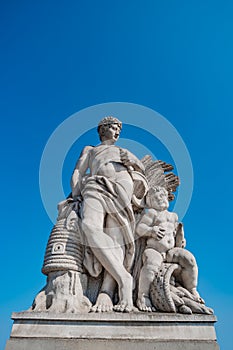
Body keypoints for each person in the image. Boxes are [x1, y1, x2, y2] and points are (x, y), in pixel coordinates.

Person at [71, 116, 145, 312]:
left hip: (122, 184)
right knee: (89, 226)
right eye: (113, 127)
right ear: (103, 129)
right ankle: (124, 277)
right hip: (94, 184)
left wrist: (135, 162)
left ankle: (107, 290)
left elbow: (141, 168)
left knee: (115, 236)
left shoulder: (123, 150)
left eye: (119, 129)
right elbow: (78, 171)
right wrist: (75, 193)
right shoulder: (90, 149)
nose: (117, 132)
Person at [136, 186, 203, 312]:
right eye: (156, 198)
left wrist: (181, 239)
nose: (161, 199)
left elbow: (175, 233)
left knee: (190, 260)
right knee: (151, 265)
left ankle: (192, 288)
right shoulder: (152, 213)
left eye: (163, 196)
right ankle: (143, 295)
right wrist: (151, 230)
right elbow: (139, 228)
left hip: (171, 251)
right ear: (150, 201)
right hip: (154, 250)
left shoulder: (173, 216)